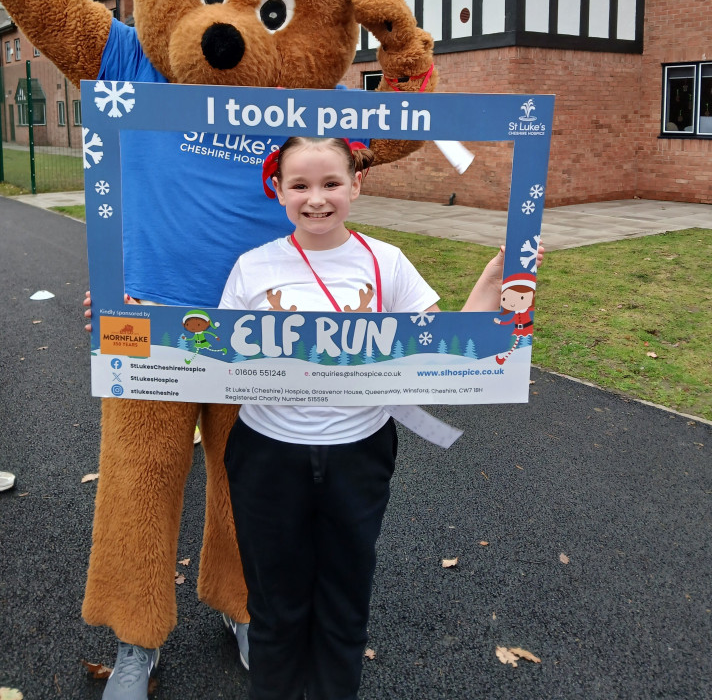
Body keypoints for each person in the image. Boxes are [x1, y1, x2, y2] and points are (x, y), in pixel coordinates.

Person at [220, 136, 543, 700]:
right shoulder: (252, 266)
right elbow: (214, 359)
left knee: (345, 602)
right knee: (275, 606)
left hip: (358, 453)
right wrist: (123, 335)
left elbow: (440, 346)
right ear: (278, 191)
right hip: (267, 454)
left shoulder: (385, 261)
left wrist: (494, 283)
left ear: (357, 185)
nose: (316, 199)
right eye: (299, 185)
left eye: (330, 184)